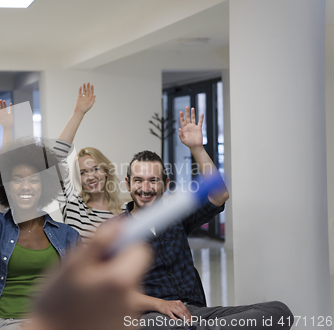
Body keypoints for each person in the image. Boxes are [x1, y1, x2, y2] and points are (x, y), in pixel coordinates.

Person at [120, 107, 293, 329]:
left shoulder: (175, 217)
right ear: (128, 184)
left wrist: (197, 148)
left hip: (196, 313)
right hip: (153, 316)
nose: (146, 188)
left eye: (153, 180)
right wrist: (161, 305)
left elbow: (219, 195)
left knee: (278, 311)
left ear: (165, 184)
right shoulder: (115, 230)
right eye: (138, 180)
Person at [0, 69, 81, 330]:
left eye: (33, 179)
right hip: (8, 323)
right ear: (6, 187)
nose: (25, 186)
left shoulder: (68, 236)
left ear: (44, 185)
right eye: (16, 179)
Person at [55, 83, 123, 243]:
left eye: (95, 169)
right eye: (83, 172)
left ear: (106, 171)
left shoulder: (124, 213)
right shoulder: (73, 206)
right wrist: (78, 114)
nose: (90, 176)